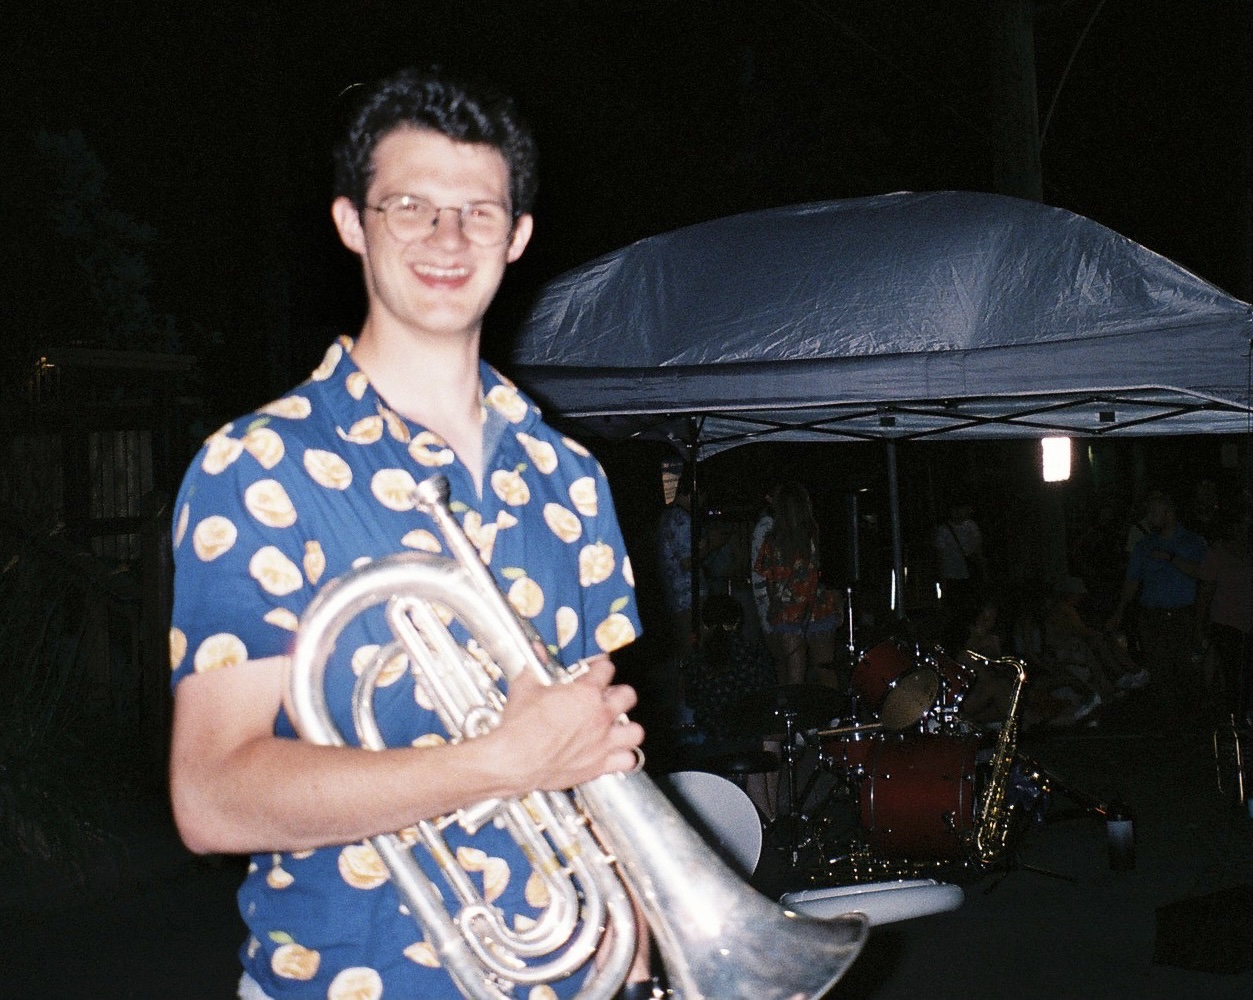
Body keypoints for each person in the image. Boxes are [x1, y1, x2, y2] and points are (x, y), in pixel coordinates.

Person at [167, 68, 652, 1000]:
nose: (446, 239)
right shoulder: (257, 466)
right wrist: (494, 762)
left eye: (477, 212)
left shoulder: (571, 478)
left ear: (516, 240)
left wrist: (651, 931)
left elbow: (588, 767)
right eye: (410, 207)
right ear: (352, 222)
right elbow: (211, 796)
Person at [1108, 490, 1208, 724]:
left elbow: (1205, 574)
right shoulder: (1144, 546)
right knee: (1159, 667)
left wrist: (1172, 559)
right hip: (1153, 615)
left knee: (1185, 665)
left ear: (1168, 513)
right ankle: (1168, 720)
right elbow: (1132, 580)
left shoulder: (1193, 542)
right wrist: (1120, 611)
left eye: (1154, 512)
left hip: (1183, 614)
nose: (1150, 518)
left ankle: (1194, 716)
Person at [753, 481, 842, 686]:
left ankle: (795, 716)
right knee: (825, 671)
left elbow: (769, 580)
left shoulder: (773, 541)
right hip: (818, 605)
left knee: (794, 677)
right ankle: (832, 715)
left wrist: (772, 609)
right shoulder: (816, 534)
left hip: (788, 610)